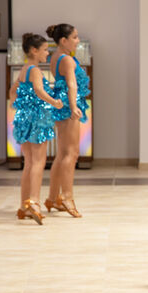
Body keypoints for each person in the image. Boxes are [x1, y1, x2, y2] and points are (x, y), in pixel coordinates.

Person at [9, 33, 64, 225]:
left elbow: (13, 91)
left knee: (29, 163)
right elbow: (40, 91)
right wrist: (55, 103)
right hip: (38, 120)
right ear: (34, 50)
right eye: (45, 50)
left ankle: (25, 205)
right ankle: (34, 203)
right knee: (39, 163)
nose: (47, 54)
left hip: (24, 119)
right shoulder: (35, 71)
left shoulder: (24, 69)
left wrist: (21, 105)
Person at [44, 23, 90, 218]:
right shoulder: (67, 60)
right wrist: (73, 107)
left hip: (63, 106)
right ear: (64, 40)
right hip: (68, 107)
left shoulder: (56, 57)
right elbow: (71, 85)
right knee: (71, 154)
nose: (78, 41)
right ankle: (67, 197)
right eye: (75, 37)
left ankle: (53, 198)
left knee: (63, 154)